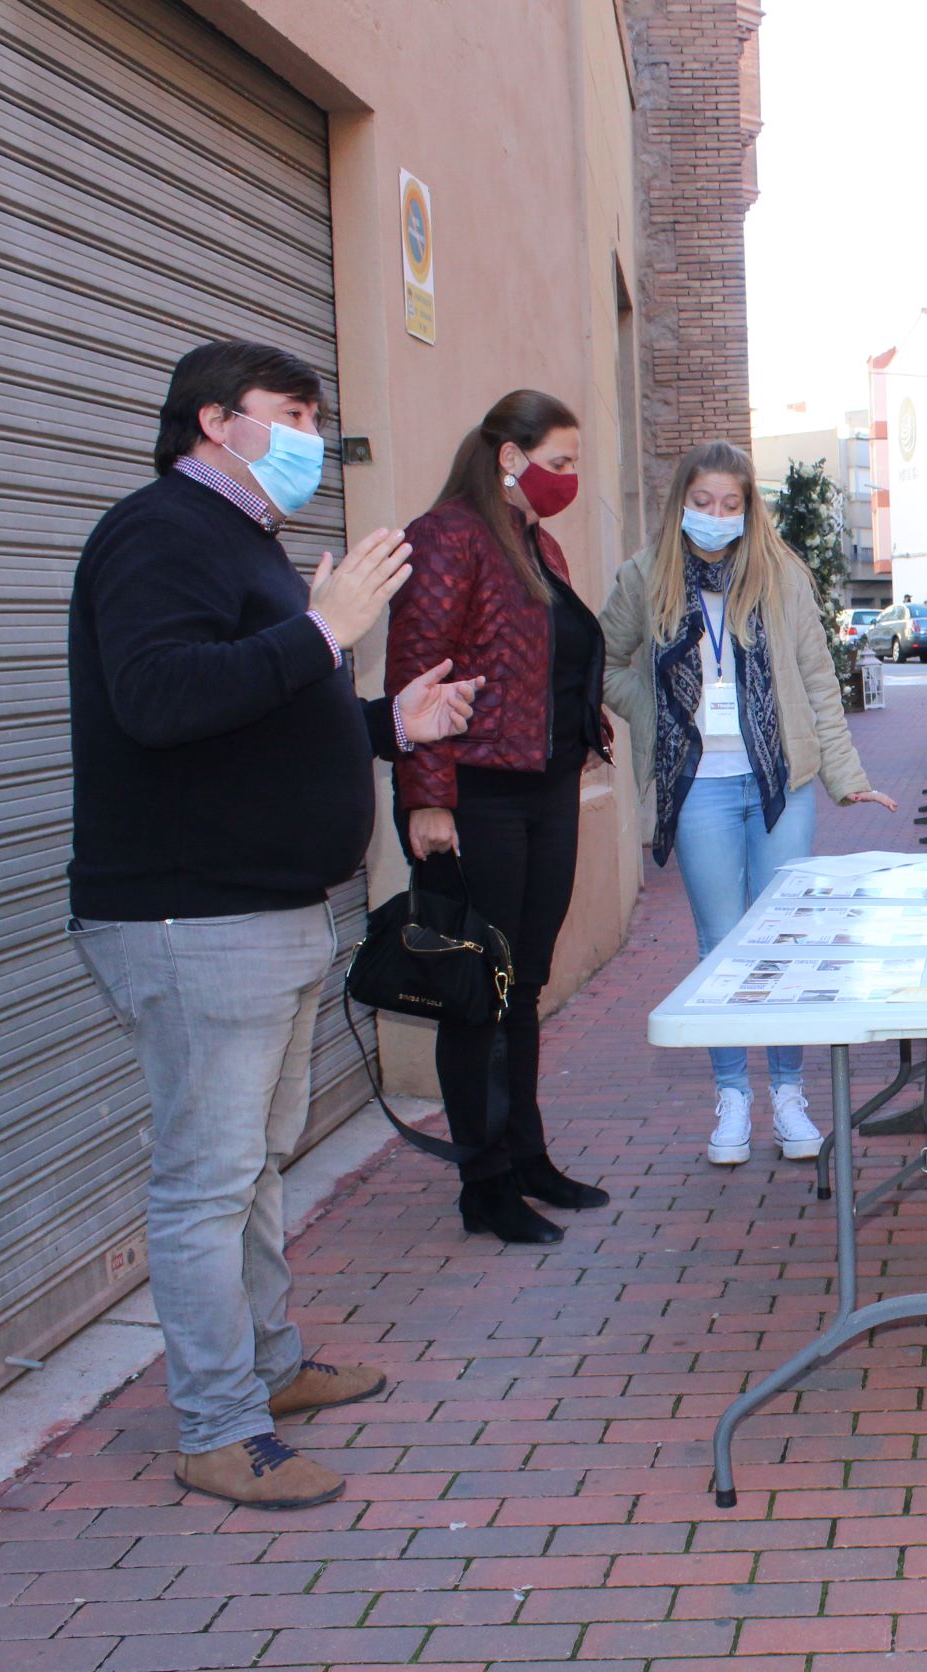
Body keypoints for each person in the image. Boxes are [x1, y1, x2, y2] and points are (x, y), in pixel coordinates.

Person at [67, 340, 481, 1508]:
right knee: (209, 1179)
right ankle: (217, 1428)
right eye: (291, 412)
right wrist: (321, 628)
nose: (311, 433)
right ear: (215, 421)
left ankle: (268, 1368)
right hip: (192, 914)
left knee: (252, 1167)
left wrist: (388, 718)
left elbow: (258, 708)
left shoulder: (235, 543)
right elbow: (158, 699)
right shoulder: (155, 534)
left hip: (267, 913)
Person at [602, 441, 897, 1165]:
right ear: (681, 504)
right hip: (699, 784)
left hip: (780, 782)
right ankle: (732, 1097)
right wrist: (654, 712)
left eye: (730, 504)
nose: (716, 516)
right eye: (703, 503)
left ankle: (789, 1096)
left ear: (748, 506)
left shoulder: (781, 574)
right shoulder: (646, 578)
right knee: (722, 946)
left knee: (784, 943)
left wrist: (845, 774)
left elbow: (818, 679)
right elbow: (602, 662)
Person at [386, 391, 610, 1247]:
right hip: (476, 792)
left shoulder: (535, 542)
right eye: (558, 462)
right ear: (508, 456)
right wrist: (428, 796)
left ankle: (527, 1158)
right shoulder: (447, 535)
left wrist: (586, 729)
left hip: (545, 789)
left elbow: (554, 659)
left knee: (524, 983)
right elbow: (420, 670)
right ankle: (483, 1185)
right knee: (479, 994)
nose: (569, 479)